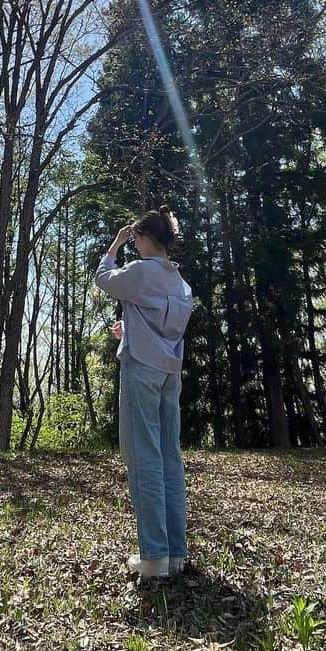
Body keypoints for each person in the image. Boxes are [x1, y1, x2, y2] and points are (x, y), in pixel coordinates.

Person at [95, 205, 195, 582]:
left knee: (144, 457)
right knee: (170, 457)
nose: (133, 242)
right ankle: (175, 553)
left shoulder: (141, 270)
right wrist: (130, 329)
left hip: (141, 371)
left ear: (145, 238)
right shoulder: (180, 284)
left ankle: (153, 556)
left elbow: (104, 278)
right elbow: (163, 327)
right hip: (170, 374)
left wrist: (114, 244)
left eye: (135, 237)